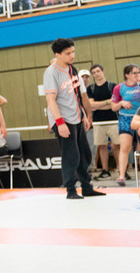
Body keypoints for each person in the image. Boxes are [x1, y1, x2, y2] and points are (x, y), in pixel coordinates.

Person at [44, 39, 104, 199]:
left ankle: (87, 187)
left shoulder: (72, 69)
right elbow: (50, 100)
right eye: (68, 53)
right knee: (71, 156)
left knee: (85, 154)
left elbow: (79, 95)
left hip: (77, 118)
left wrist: (85, 115)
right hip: (63, 120)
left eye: (73, 52)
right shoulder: (51, 72)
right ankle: (70, 190)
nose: (72, 56)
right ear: (57, 54)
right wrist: (59, 122)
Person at [111, 65, 140, 186]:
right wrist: (121, 103)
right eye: (134, 73)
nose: (137, 75)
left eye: (139, 72)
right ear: (127, 75)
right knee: (125, 147)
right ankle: (122, 175)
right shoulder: (119, 88)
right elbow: (113, 107)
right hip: (125, 119)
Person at [87, 65, 118, 180]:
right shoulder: (90, 89)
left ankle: (121, 169)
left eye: (98, 71)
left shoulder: (113, 86)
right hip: (98, 122)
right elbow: (90, 106)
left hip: (114, 120)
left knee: (117, 145)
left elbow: (114, 104)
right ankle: (105, 170)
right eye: (94, 72)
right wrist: (107, 102)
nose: (96, 74)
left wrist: (98, 105)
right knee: (101, 146)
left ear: (103, 71)